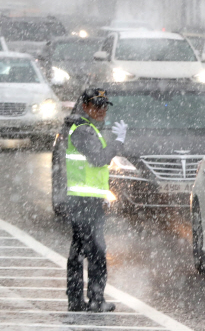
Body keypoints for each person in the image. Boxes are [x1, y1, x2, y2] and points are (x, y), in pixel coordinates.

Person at [65, 88, 128, 312]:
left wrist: (104, 195)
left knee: (82, 250)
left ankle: (78, 299)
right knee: (95, 251)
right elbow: (98, 159)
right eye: (96, 105)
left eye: (104, 106)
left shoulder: (87, 128)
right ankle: (95, 299)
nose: (101, 111)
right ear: (85, 107)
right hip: (84, 201)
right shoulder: (82, 130)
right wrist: (118, 142)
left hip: (86, 199)